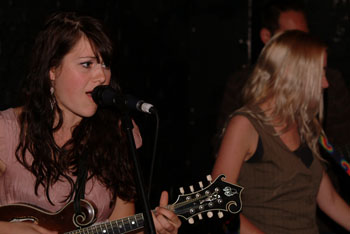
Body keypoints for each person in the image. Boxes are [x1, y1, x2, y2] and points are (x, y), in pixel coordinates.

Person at [0, 12, 181, 234]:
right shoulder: (7, 131)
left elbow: (121, 226)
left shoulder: (119, 132)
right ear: (52, 70)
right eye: (87, 64)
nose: (101, 77)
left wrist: (155, 231)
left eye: (105, 64)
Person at [212, 30, 350, 234]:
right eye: (319, 73)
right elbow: (219, 203)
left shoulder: (305, 125)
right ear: (291, 73)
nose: (325, 83)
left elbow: (328, 199)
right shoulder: (245, 125)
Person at [216, 0, 350, 153]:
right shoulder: (240, 83)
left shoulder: (330, 81)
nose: (301, 44)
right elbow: (223, 151)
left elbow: (341, 145)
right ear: (267, 37)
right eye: (291, 36)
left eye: (304, 36)